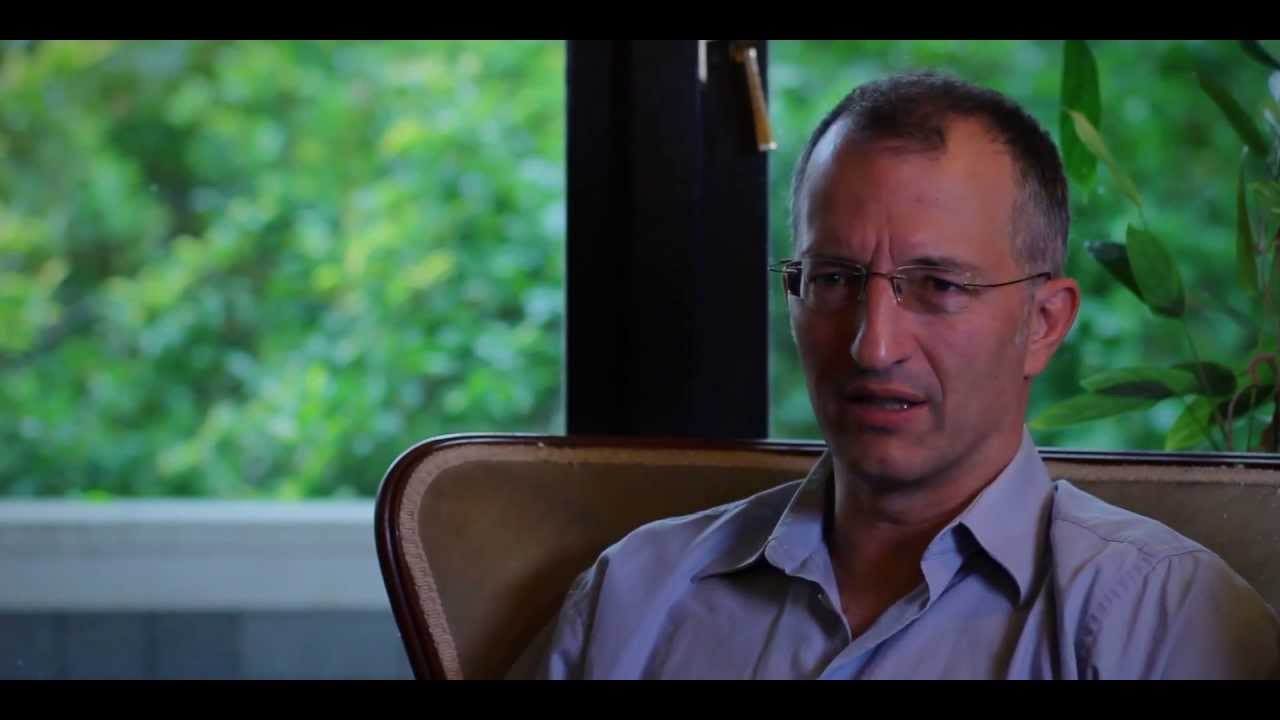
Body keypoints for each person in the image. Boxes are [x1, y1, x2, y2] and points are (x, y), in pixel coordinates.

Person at [508, 71, 1280, 679]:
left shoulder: (1161, 618)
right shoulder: (636, 592)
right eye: (834, 279)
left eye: (939, 285)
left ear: (1043, 323)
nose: (873, 347)